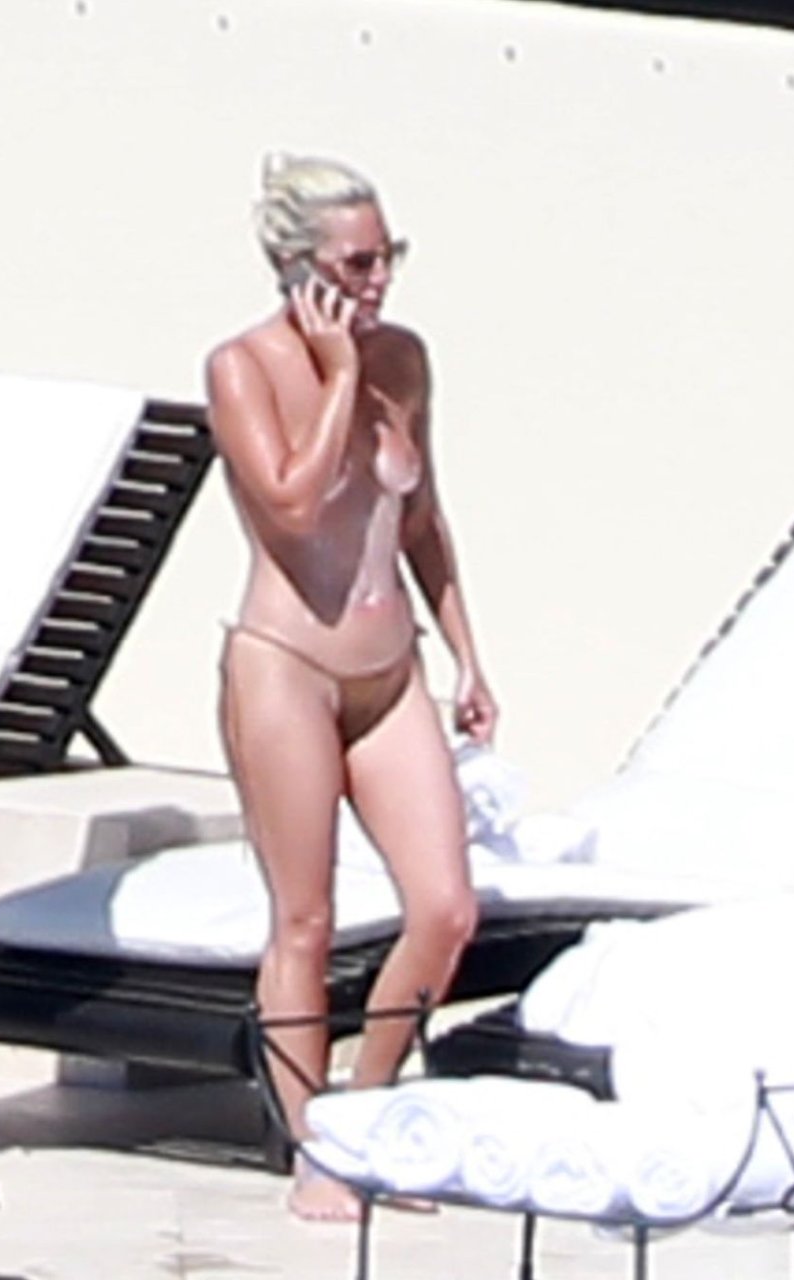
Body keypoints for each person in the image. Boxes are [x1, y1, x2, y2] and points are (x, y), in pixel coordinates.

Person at [205, 154, 496, 1221]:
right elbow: (290, 502)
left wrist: (466, 653)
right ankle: (312, 1149)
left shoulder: (404, 360)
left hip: (388, 669)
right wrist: (334, 377)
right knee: (305, 919)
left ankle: (365, 1116)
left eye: (388, 256)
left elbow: (419, 517)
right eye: (358, 263)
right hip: (285, 667)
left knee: (445, 907)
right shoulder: (241, 367)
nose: (379, 281)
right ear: (297, 264)